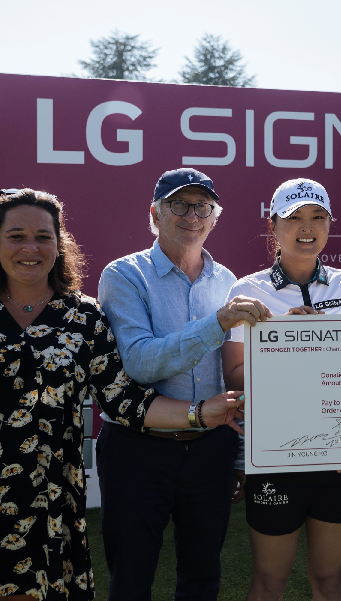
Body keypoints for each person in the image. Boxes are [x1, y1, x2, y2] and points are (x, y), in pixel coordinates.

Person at [0, 188, 244, 601]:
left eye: (43, 236)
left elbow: (124, 400)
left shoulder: (84, 318)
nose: (30, 248)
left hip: (46, 501)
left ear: (59, 246)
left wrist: (201, 413)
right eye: (16, 236)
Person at [96, 168, 271, 601]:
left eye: (203, 207)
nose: (192, 215)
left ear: (214, 218)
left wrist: (240, 457)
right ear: (154, 214)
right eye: (179, 204)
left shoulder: (229, 283)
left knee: (201, 580)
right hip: (138, 449)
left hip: (210, 450)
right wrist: (218, 323)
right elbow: (139, 362)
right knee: (131, 579)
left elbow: (240, 369)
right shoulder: (124, 276)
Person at [221, 178, 341, 601]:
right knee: (270, 583)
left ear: (329, 224)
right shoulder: (247, 290)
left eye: (317, 217)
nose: (307, 227)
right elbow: (233, 376)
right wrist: (291, 342)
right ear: (274, 225)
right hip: (275, 453)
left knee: (330, 581)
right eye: (294, 218)